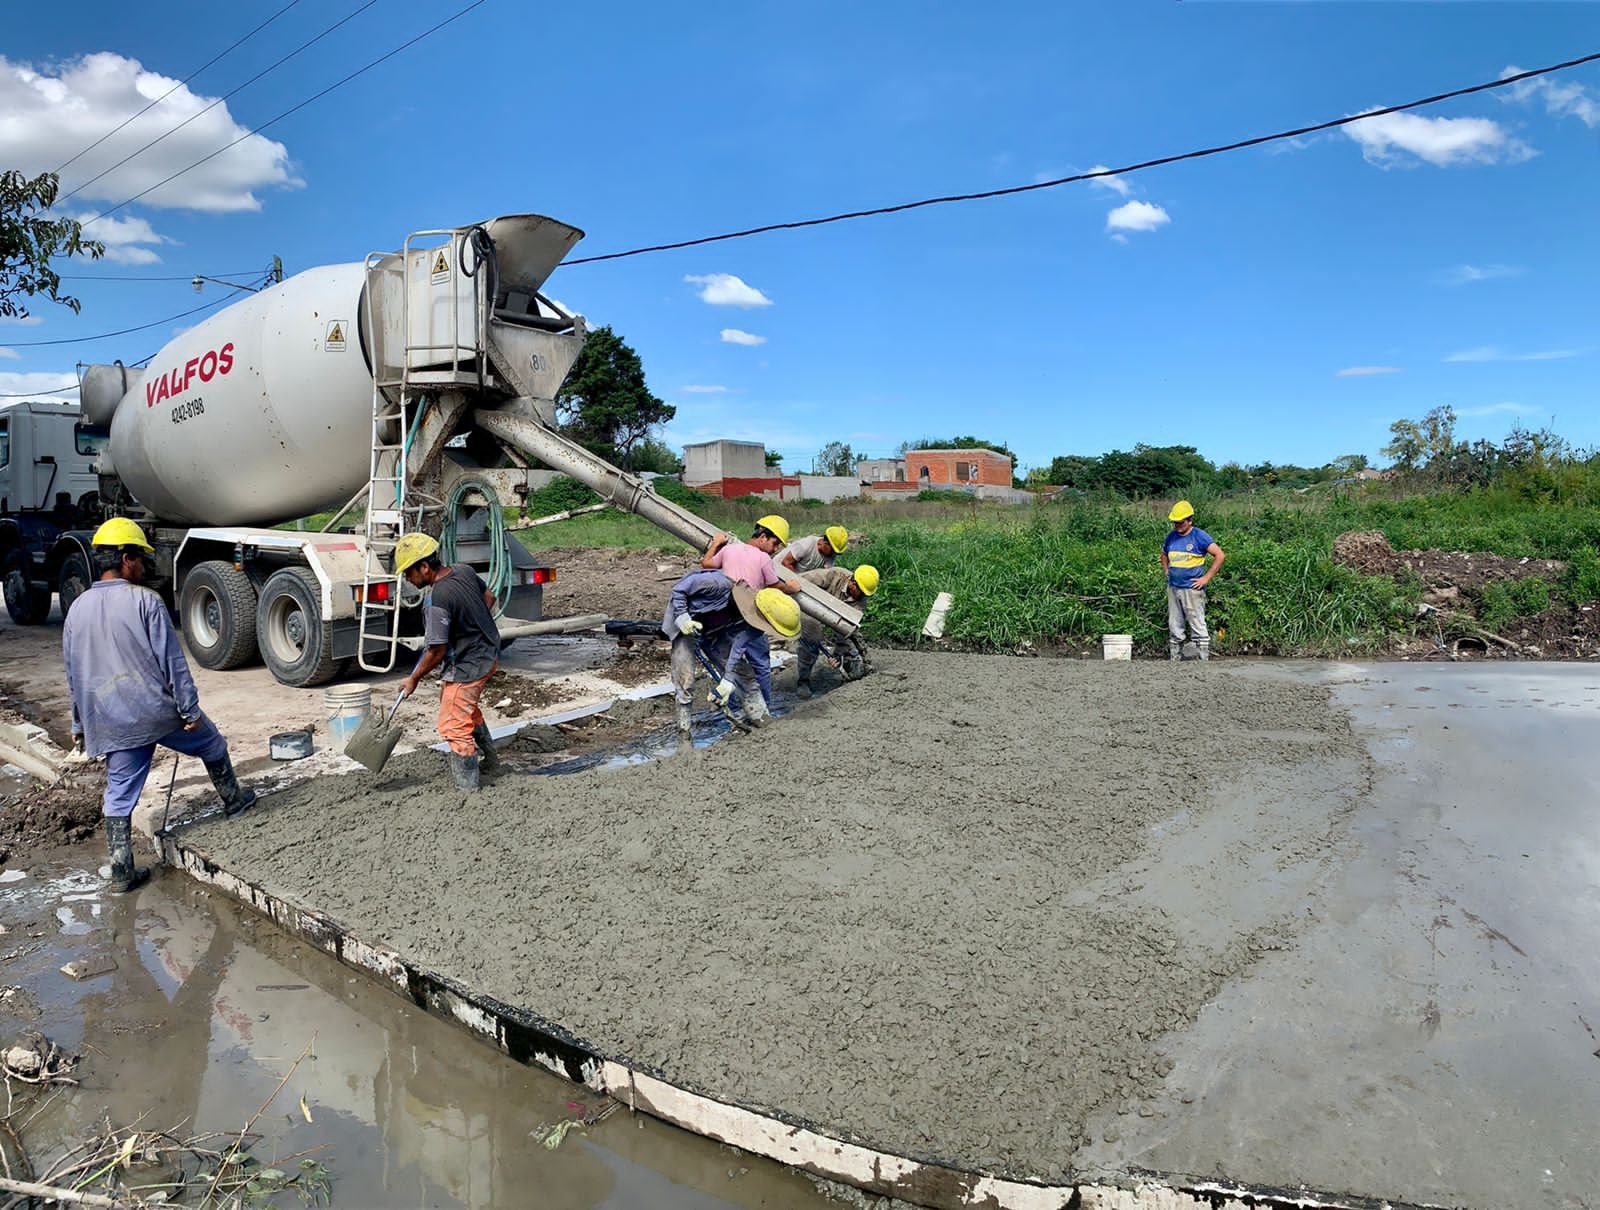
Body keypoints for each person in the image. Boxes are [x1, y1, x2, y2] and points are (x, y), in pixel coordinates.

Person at [63, 517, 256, 894]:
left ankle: (121, 872)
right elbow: (173, 663)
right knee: (211, 743)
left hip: (108, 718)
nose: (144, 568)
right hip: (155, 711)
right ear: (125, 558)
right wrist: (190, 711)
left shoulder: (76, 609)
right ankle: (235, 802)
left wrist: (79, 724)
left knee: (119, 793)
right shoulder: (146, 601)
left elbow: (74, 673)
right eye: (140, 560)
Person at [394, 533, 501, 791]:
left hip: (468, 665)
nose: (408, 579)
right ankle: (491, 761)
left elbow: (437, 650)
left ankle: (468, 788)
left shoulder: (436, 599)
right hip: (488, 652)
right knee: (460, 707)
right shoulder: (463, 571)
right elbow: (489, 597)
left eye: (409, 572)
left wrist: (414, 678)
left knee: (453, 724)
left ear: (424, 567)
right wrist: (471, 624)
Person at [661, 568, 800, 732]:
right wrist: (683, 617)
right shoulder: (716, 584)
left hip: (716, 631)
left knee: (745, 675)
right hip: (684, 625)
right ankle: (684, 735)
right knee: (686, 680)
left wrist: (727, 680)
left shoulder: (757, 625)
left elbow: (738, 648)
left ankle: (762, 720)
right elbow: (679, 590)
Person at [795, 564, 879, 697]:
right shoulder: (835, 575)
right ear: (852, 582)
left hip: (834, 617)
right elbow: (799, 581)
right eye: (861, 591)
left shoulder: (860, 600)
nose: (863, 596)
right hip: (806, 605)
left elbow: (847, 628)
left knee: (847, 645)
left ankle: (846, 670)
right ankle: (803, 681)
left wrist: (837, 655)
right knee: (812, 636)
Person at [1161, 500, 1225, 661]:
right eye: (1175, 523)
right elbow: (1163, 553)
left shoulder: (1199, 536)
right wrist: (1166, 570)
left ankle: (1202, 658)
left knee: (1197, 622)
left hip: (1192, 588)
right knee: (1174, 623)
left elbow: (1220, 555)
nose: (1177, 526)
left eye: (1180, 522)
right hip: (1173, 587)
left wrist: (1206, 578)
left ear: (1189, 520)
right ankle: (1175, 656)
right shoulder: (1171, 537)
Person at [701, 514, 801, 595]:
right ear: (763, 537)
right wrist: (791, 588)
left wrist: (716, 543)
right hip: (746, 607)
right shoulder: (764, 558)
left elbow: (705, 564)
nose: (775, 549)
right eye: (775, 544)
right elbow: (775, 586)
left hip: (723, 599)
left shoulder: (729, 549)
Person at [778, 525, 849, 575]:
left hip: (798, 578)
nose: (834, 554)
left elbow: (826, 573)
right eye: (833, 551)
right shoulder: (807, 545)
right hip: (779, 571)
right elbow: (786, 563)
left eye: (837, 553)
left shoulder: (830, 555)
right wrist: (798, 582)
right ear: (826, 543)